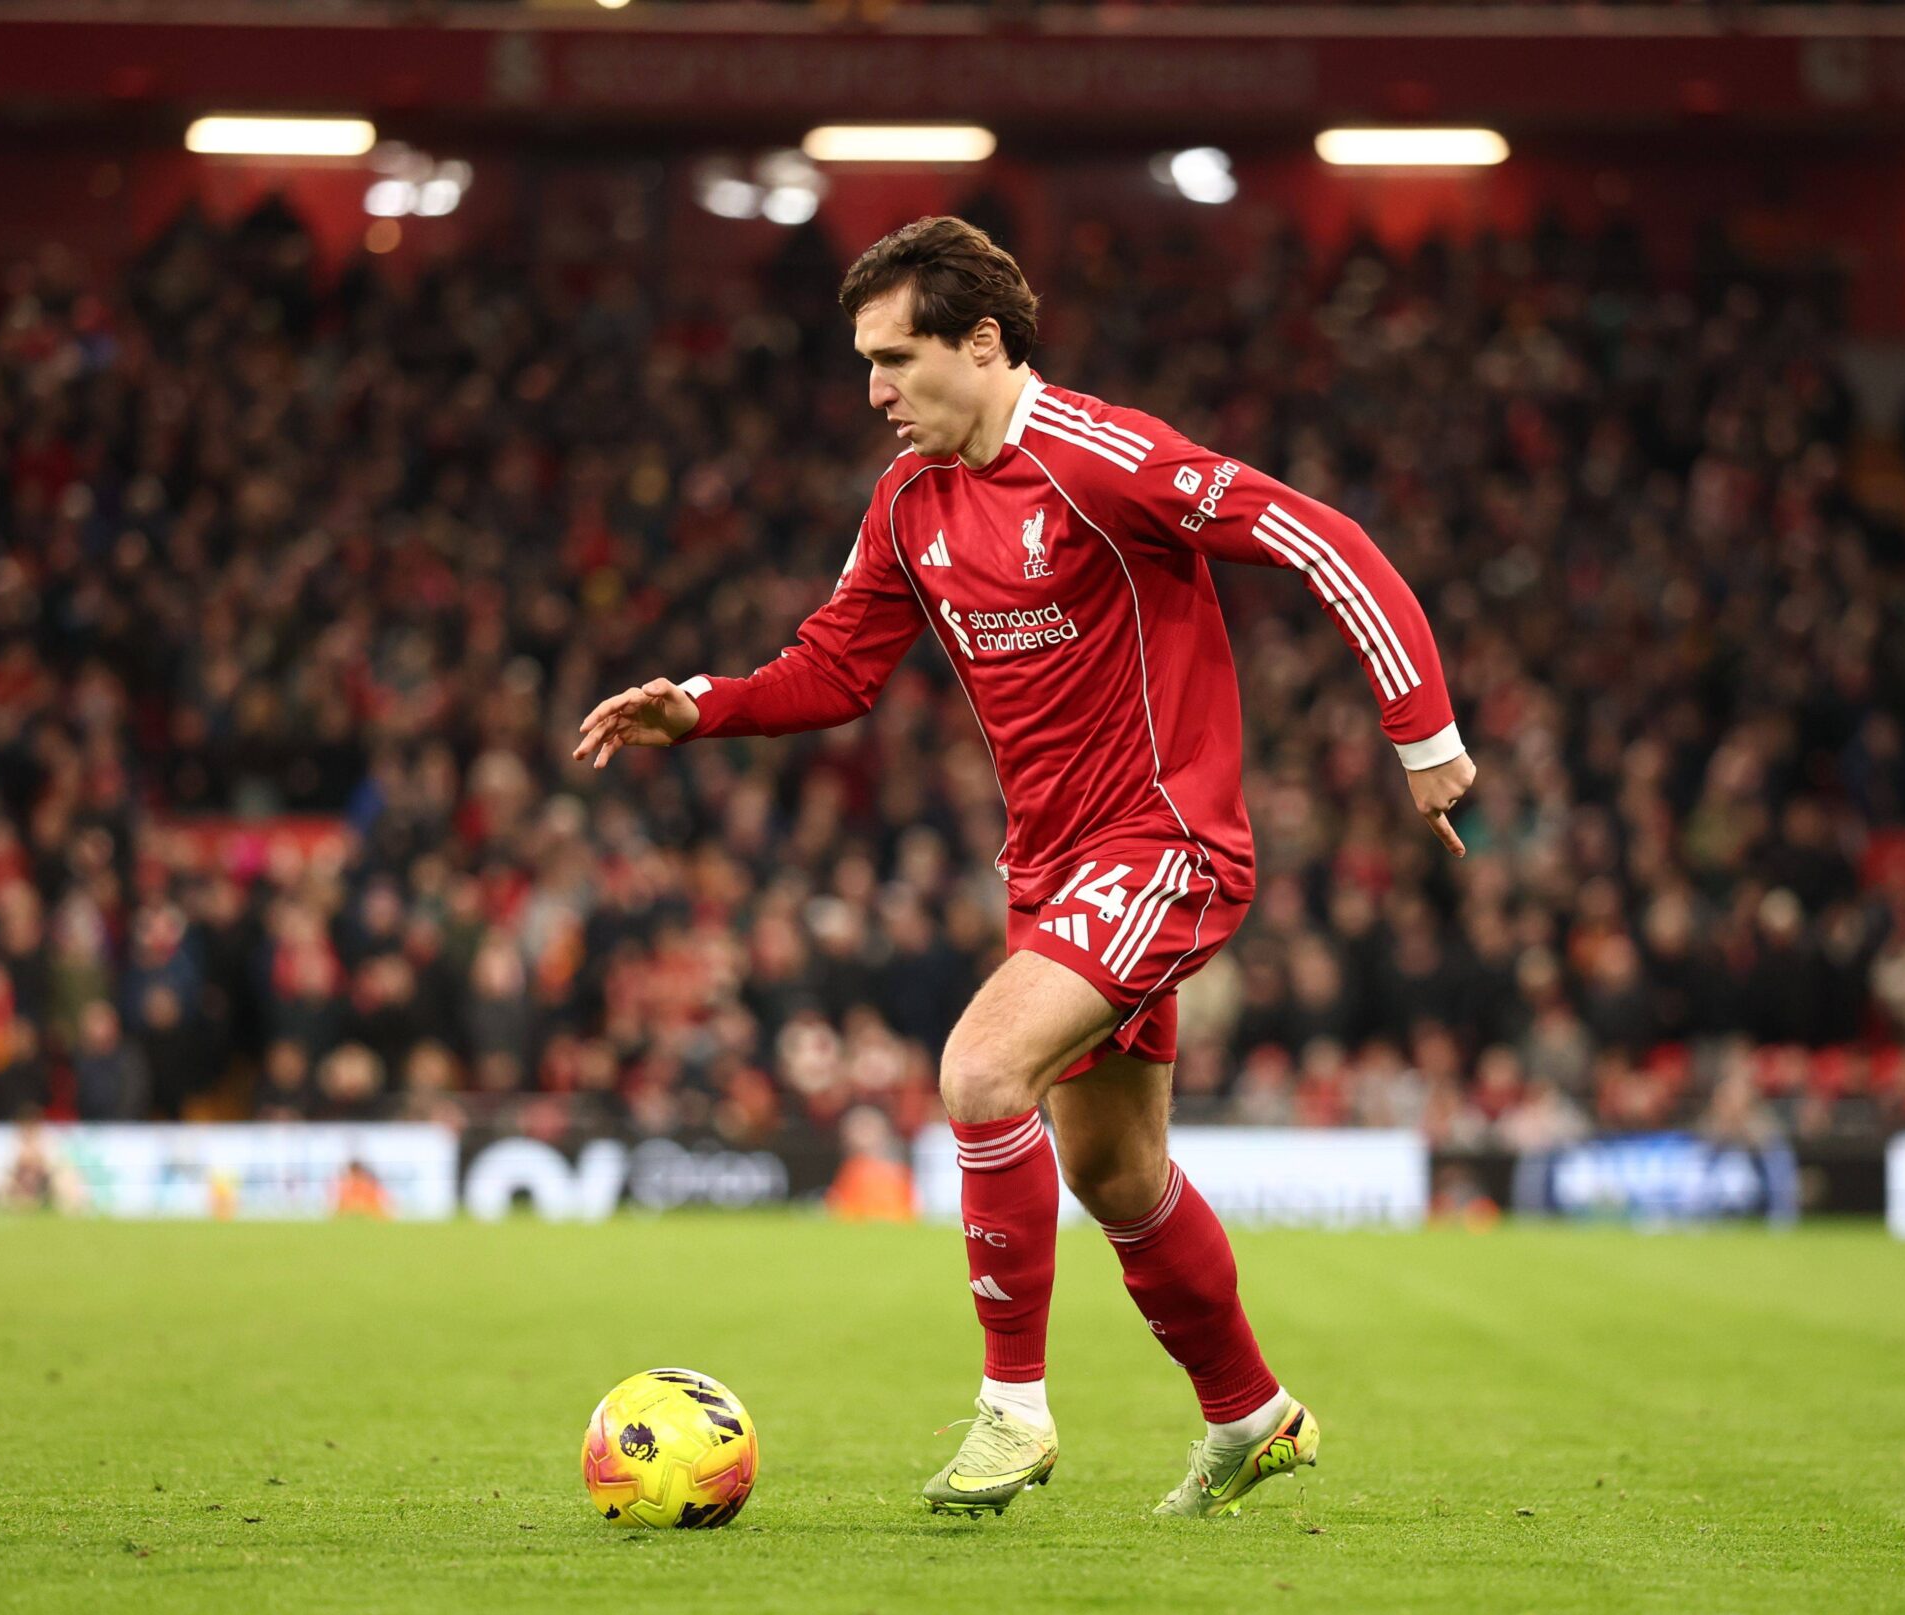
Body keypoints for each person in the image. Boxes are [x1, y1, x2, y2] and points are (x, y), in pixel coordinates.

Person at [574, 217, 1472, 1519]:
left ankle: (1012, 1413)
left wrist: (1422, 732)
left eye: (897, 357)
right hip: (1053, 876)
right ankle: (1251, 1414)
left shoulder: (1105, 461)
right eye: (865, 363)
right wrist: (698, 705)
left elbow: (1321, 537)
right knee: (1116, 1178)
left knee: (981, 1070)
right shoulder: (911, 503)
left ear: (984, 341)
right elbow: (835, 669)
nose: (875, 390)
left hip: (1166, 844)